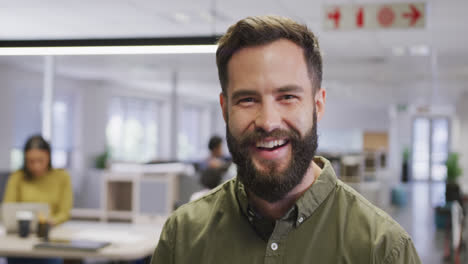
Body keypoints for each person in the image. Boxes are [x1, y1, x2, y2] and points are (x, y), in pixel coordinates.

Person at [151, 15, 421, 263]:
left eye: (287, 97)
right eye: (247, 100)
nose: (268, 122)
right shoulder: (182, 238)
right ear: (225, 109)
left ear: (318, 105)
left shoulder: (383, 250)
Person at [3, 135, 73, 264]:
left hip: (50, 237)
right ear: (25, 159)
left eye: (41, 160)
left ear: (49, 157)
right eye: (31, 161)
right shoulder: (17, 177)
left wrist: (52, 221)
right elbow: (7, 209)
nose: (36, 166)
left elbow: (65, 212)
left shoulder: (62, 177)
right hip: (20, 238)